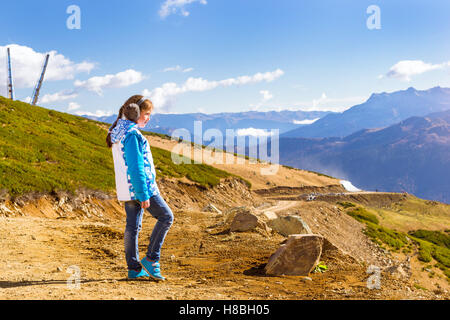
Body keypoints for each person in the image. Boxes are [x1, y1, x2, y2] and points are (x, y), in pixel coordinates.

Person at [106, 95, 174, 280]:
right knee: (166, 217)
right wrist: (143, 194)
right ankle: (151, 259)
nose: (148, 118)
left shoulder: (118, 131)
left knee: (132, 227)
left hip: (127, 189)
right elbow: (136, 167)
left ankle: (134, 269)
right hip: (140, 188)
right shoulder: (132, 135)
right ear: (136, 113)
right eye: (146, 114)